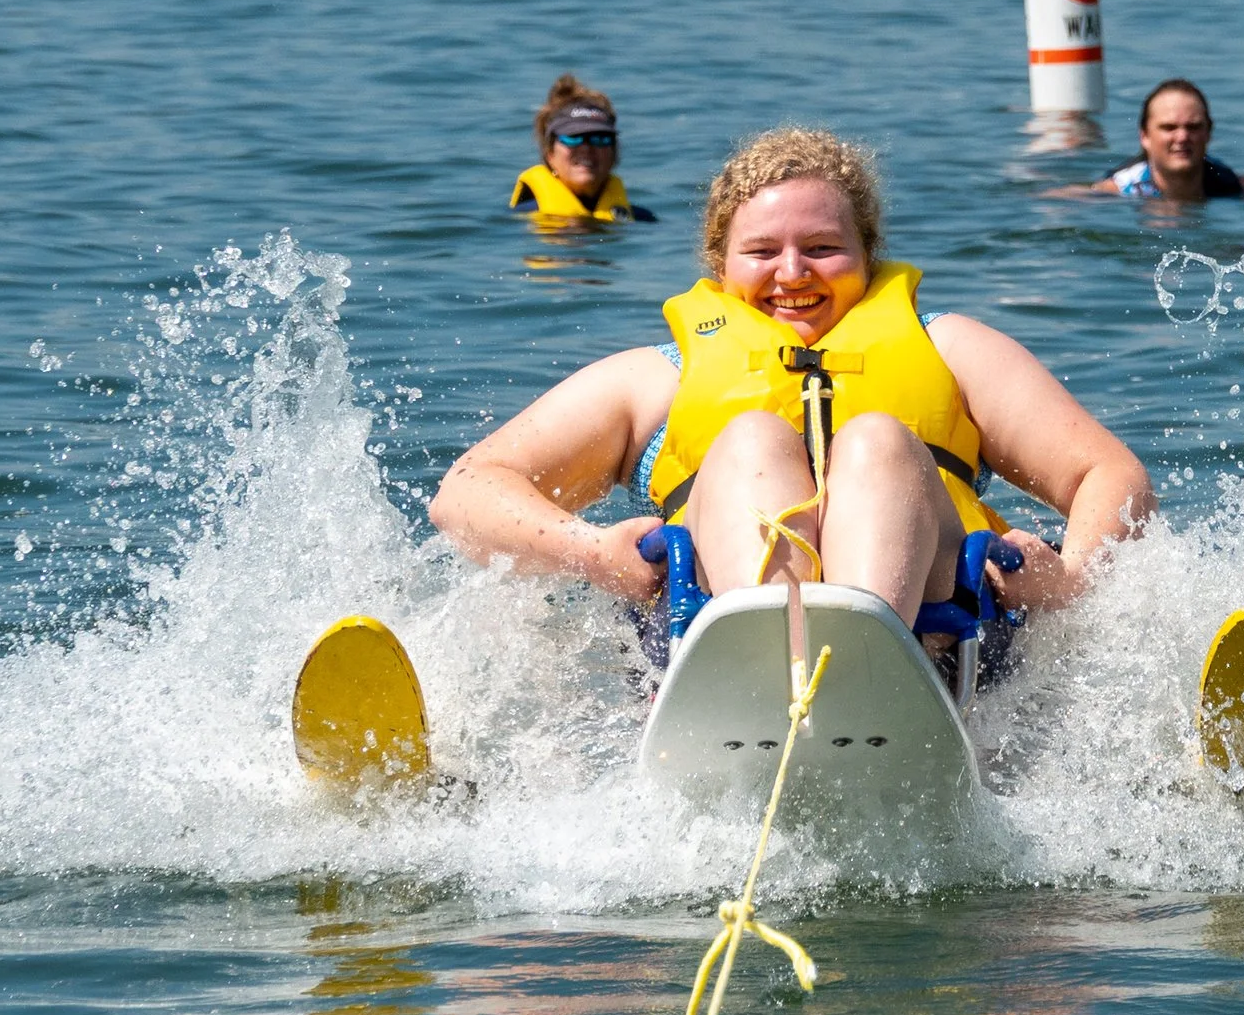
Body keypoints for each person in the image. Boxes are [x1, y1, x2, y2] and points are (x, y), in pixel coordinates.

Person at [435, 127, 1155, 626]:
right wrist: (592, 554)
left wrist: (1072, 583)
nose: (791, 274)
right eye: (762, 251)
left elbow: (1109, 474)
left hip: (939, 640)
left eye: (822, 247)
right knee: (751, 439)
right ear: (721, 265)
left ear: (868, 255)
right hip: (714, 652)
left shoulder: (953, 349)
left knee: (877, 440)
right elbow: (467, 492)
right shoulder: (652, 380)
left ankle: (867, 655)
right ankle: (763, 654)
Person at [1086, 80, 1244, 203]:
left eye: (1193, 127)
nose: (1182, 137)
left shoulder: (1229, 184)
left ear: (1208, 133)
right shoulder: (1118, 191)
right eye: (1169, 127)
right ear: (1144, 136)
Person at [510, 74, 654, 223]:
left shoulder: (643, 222)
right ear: (549, 152)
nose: (586, 148)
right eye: (573, 138)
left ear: (614, 153)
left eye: (599, 138)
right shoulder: (520, 223)